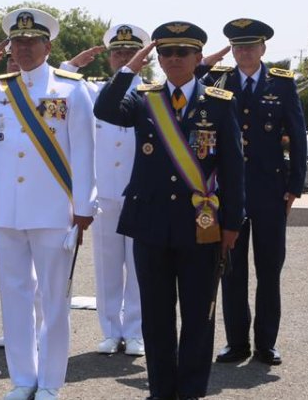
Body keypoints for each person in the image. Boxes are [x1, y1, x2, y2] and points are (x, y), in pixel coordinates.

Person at [0, 8, 96, 400]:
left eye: (31, 41)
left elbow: (83, 153)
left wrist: (83, 208)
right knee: (14, 298)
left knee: (53, 299)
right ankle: (23, 378)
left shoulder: (71, 88)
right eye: (17, 42)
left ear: (47, 46)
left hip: (54, 210)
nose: (24, 48)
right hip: (9, 211)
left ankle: (50, 382)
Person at [93, 21, 244, 400]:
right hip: (151, 225)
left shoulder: (218, 103)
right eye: (166, 53)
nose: (174, 59)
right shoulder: (144, 98)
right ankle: (161, 390)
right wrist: (130, 67)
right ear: (158, 58)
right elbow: (106, 108)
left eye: (182, 52)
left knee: (198, 316)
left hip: (201, 226)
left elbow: (233, 167)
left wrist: (232, 224)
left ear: (197, 58)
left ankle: (191, 390)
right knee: (157, 318)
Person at [199, 19, 305, 367]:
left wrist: (294, 187)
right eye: (238, 46)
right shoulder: (218, 81)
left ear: (263, 48)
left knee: (269, 269)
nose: (244, 52)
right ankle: (236, 343)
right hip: (229, 194)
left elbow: (298, 137)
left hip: (270, 191)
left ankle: (265, 344)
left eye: (250, 45)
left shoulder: (282, 84)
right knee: (231, 270)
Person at [62, 24, 150, 357]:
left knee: (140, 267)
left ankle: (136, 331)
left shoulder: (151, 91)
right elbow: (59, 83)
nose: (123, 58)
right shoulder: (95, 90)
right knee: (107, 265)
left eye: (130, 52)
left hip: (140, 194)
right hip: (105, 194)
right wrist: (74, 64)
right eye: (118, 53)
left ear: (143, 56)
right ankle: (111, 330)